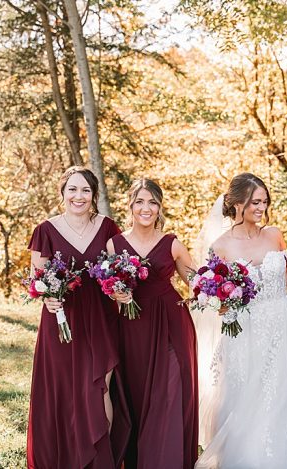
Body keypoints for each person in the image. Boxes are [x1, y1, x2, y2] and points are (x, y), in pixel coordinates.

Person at [195, 173, 287, 468]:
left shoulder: (273, 234)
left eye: (265, 202)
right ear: (238, 204)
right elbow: (213, 296)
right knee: (244, 401)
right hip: (244, 330)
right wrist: (222, 303)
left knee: (281, 400)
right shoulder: (220, 245)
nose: (262, 208)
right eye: (255, 202)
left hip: (282, 326)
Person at [26, 166, 129, 468]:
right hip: (62, 320)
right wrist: (47, 300)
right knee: (66, 391)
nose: (78, 196)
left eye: (85, 190)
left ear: (94, 194)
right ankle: (66, 458)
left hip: (100, 318)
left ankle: (99, 460)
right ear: (63, 193)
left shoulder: (108, 227)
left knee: (100, 388)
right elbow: (37, 278)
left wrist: (120, 289)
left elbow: (119, 270)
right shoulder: (46, 229)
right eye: (72, 189)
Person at [107, 178, 198, 468]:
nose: (146, 208)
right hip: (132, 329)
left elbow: (198, 283)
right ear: (130, 205)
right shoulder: (114, 244)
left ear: (160, 207)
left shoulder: (172, 243)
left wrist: (221, 293)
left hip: (171, 325)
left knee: (169, 392)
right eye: (140, 202)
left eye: (152, 202)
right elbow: (108, 287)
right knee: (136, 395)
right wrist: (117, 294)